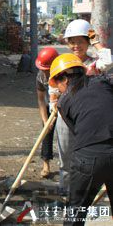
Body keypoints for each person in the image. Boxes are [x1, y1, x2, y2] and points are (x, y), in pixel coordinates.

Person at [48, 53, 113, 225]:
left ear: (64, 80)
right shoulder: (103, 82)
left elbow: (77, 131)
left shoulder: (63, 102)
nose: (58, 90)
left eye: (57, 84)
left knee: (75, 214)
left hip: (89, 157)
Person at [53, 19, 113, 197]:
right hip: (67, 115)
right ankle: (66, 190)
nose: (76, 46)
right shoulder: (62, 62)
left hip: (88, 118)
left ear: (87, 42)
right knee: (65, 154)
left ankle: (86, 190)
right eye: (72, 42)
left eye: (80, 41)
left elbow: (108, 60)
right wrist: (53, 104)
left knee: (86, 153)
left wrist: (96, 42)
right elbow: (53, 86)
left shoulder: (94, 64)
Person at [35, 47, 59, 178]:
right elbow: (40, 100)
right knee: (46, 132)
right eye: (43, 69)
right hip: (50, 105)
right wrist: (45, 121)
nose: (45, 72)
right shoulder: (40, 76)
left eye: (47, 70)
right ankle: (46, 164)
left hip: (66, 106)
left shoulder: (64, 72)